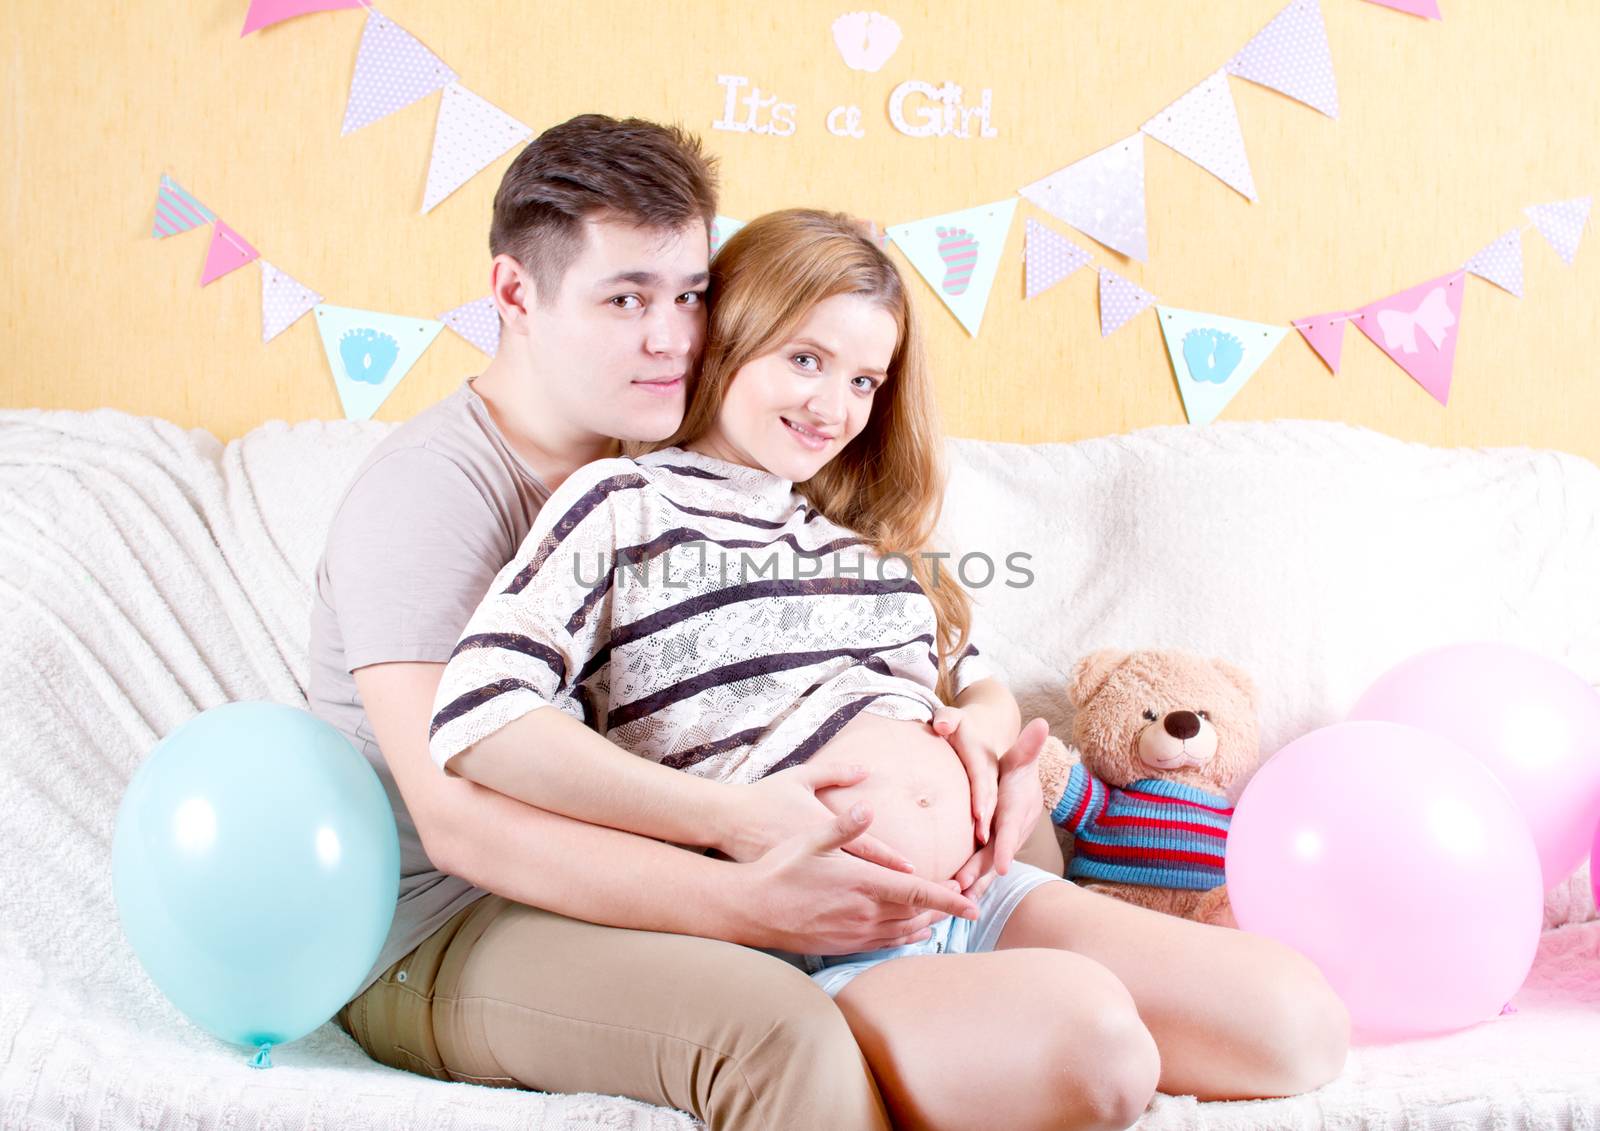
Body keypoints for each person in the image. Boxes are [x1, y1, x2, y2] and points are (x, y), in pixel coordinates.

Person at [427, 209, 1353, 1131]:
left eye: (865, 378)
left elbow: (975, 684)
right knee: (1100, 1047)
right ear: (730, 337)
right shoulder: (624, 506)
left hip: (983, 897)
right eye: (805, 358)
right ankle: (891, 1030)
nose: (833, 405)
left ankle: (984, 1027)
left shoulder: (868, 551)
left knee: (1299, 1023)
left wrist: (992, 739)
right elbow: (480, 719)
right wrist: (731, 818)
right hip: (821, 940)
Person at [308, 114, 1061, 1130]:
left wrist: (976, 710)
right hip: (444, 924)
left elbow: (873, 631)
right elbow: (457, 824)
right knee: (772, 1028)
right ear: (514, 295)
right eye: (625, 298)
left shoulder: (681, 455)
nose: (671, 336)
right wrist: (743, 894)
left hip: (646, 866)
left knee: (1022, 893)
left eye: (689, 295)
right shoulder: (430, 497)